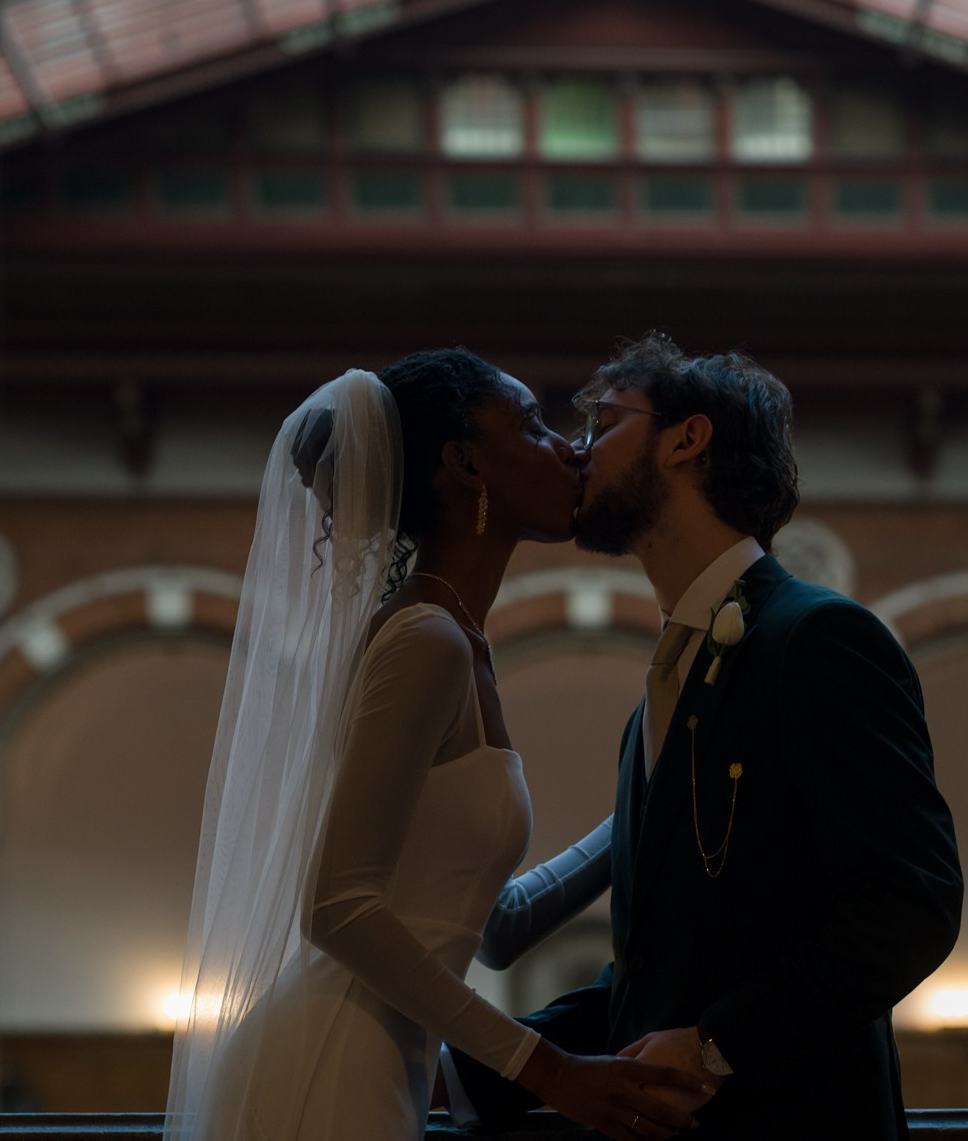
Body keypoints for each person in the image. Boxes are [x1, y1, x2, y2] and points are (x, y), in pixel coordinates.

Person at [164, 350, 710, 1141]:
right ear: (464, 465)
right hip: (333, 1061)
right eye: (530, 425)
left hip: (386, 1065)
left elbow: (496, 925)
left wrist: (645, 806)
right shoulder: (426, 638)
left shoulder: (460, 638)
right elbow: (338, 907)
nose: (569, 447)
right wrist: (548, 1069)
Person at [443, 333, 963, 1140]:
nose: (577, 451)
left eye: (604, 422)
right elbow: (657, 976)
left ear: (688, 438)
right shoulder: (659, 695)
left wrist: (718, 1045)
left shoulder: (820, 638)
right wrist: (461, 1070)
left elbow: (911, 904)